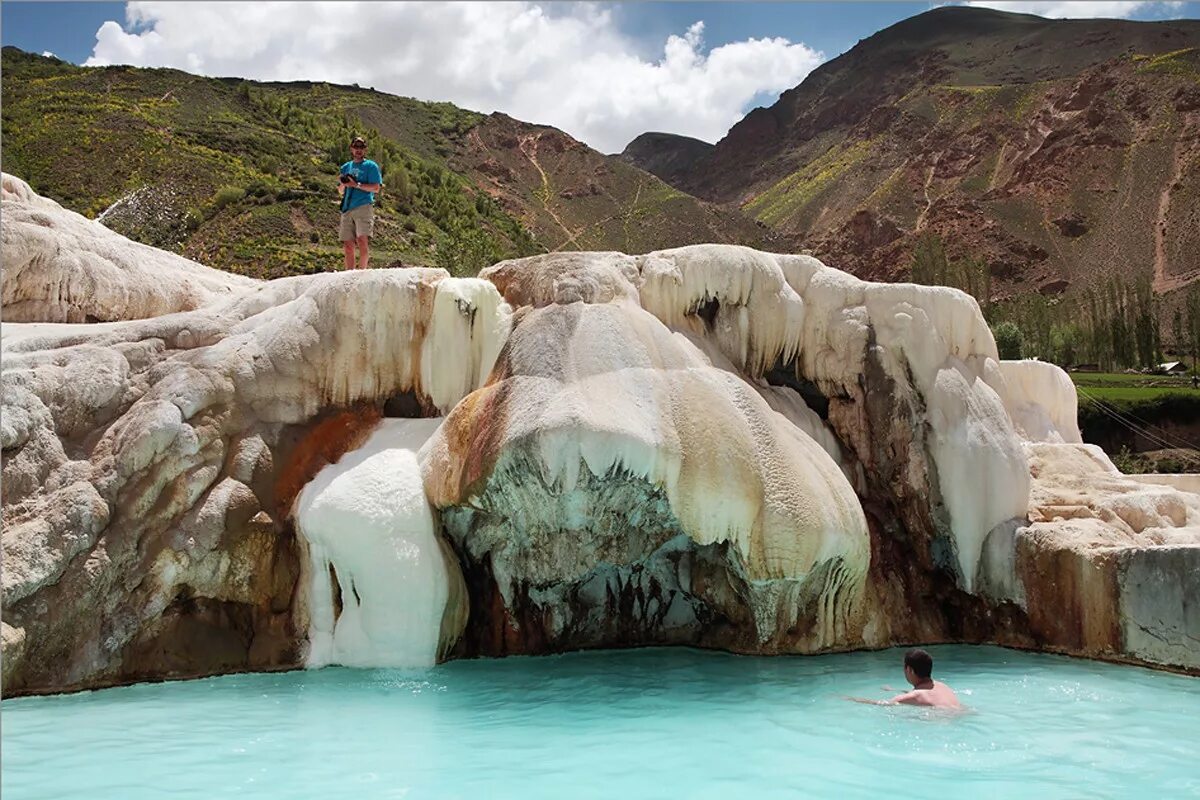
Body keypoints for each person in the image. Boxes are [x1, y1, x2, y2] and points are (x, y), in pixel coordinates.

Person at [847, 648, 961, 709]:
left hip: (940, 720)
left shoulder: (914, 696)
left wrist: (851, 699)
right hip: (961, 713)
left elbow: (881, 704)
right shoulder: (942, 686)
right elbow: (925, 693)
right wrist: (894, 690)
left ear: (910, 670)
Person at [337, 135, 383, 270]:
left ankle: (362, 273)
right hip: (347, 207)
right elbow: (340, 191)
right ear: (351, 149)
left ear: (365, 150)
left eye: (361, 147)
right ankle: (349, 274)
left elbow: (376, 188)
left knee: (362, 240)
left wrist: (355, 184)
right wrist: (343, 183)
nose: (358, 150)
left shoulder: (370, 166)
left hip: (363, 206)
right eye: (356, 147)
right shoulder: (346, 167)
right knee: (348, 245)